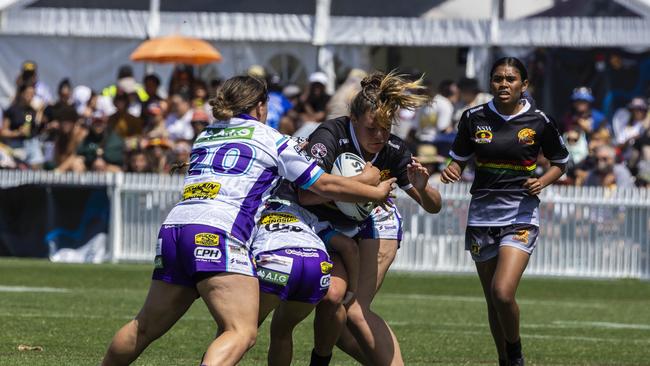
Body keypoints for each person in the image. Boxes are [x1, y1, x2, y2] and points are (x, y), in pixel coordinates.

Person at [100, 75, 396, 366]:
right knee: (241, 333)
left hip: (175, 230)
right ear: (259, 107)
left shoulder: (206, 134)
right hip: (218, 233)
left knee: (144, 327)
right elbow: (322, 186)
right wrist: (370, 185)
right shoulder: (270, 139)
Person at [300, 71, 442, 366]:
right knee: (335, 317)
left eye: (386, 128)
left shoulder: (394, 150)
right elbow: (306, 196)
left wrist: (422, 187)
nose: (379, 136)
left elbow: (433, 206)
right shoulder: (329, 136)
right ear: (353, 119)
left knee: (355, 310)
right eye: (371, 128)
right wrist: (361, 187)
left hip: (378, 223)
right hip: (332, 225)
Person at [441, 57, 569, 366]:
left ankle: (515, 354)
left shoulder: (540, 121)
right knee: (492, 300)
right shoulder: (472, 117)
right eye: (498, 78)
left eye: (511, 79)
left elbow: (561, 162)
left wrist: (542, 181)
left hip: (520, 214)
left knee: (502, 292)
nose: (503, 84)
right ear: (490, 83)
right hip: (481, 216)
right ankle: (505, 360)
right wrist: (452, 170)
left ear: (524, 85)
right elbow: (459, 158)